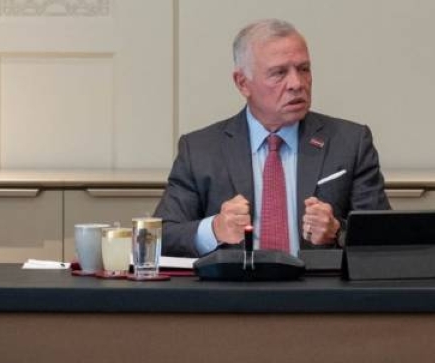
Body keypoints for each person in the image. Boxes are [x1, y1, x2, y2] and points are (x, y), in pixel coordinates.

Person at [154, 19, 391, 257]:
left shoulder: (350, 143)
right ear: (242, 83)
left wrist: (337, 231)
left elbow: (385, 239)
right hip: (236, 281)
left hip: (317, 281)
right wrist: (214, 230)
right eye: (279, 73)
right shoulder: (201, 150)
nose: (297, 83)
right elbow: (160, 236)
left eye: (304, 69)